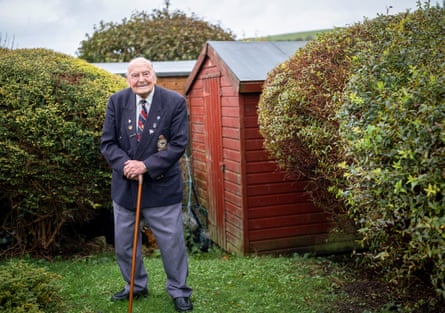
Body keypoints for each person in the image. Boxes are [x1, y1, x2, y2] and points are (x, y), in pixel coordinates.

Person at [100, 57, 193, 312]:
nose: (141, 79)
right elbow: (108, 143)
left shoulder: (174, 102)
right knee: (125, 244)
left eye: (145, 73)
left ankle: (179, 290)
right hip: (126, 187)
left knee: (171, 244)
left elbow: (177, 144)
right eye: (135, 75)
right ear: (128, 79)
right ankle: (135, 286)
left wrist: (147, 166)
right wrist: (127, 165)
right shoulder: (116, 102)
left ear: (154, 75)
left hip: (161, 186)